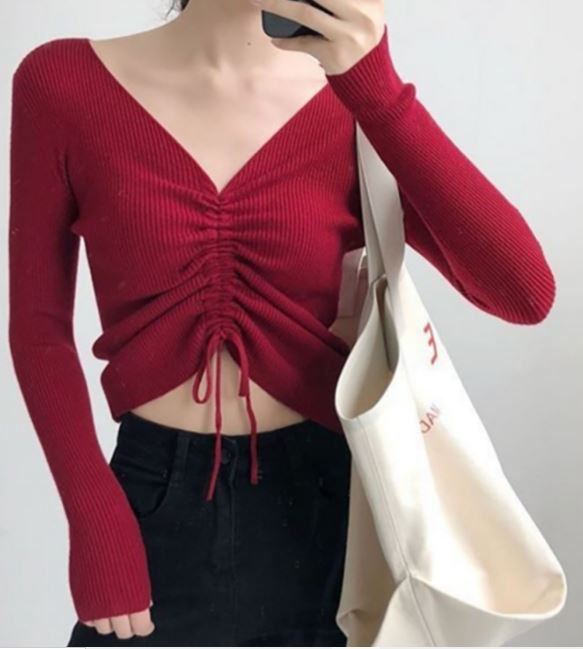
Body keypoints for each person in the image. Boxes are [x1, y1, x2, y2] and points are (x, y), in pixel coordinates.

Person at [7, 0, 556, 646]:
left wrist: (376, 89)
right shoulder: (61, 84)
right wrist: (93, 514)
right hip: (150, 507)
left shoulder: (353, 97)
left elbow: (523, 292)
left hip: (331, 522)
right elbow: (39, 325)